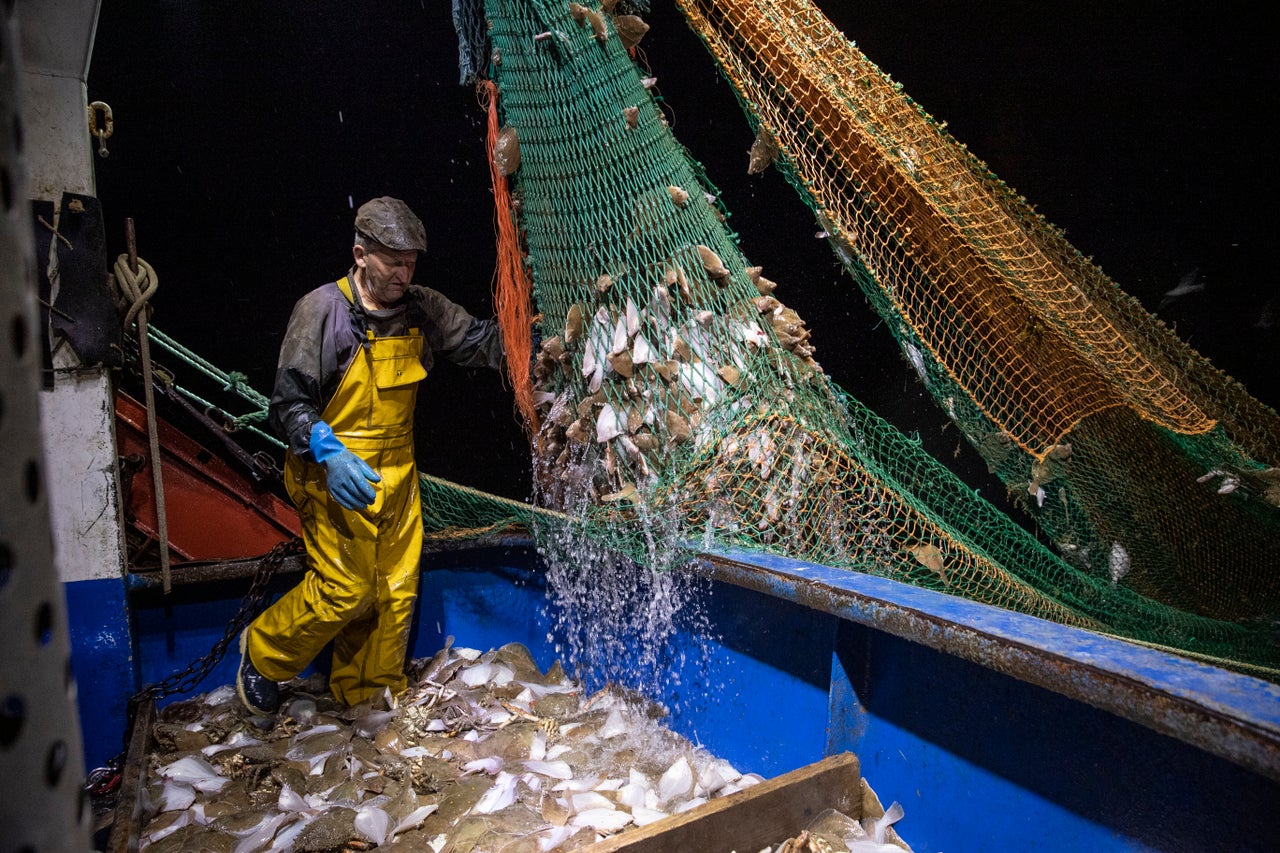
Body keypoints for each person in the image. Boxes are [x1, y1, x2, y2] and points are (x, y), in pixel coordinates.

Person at [236, 196, 505, 714]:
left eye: (411, 261)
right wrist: (329, 454)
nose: (404, 272)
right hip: (330, 469)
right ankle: (265, 652)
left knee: (395, 592)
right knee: (347, 588)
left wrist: (544, 341)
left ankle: (368, 697)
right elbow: (288, 403)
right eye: (392, 260)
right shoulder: (321, 311)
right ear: (360, 254)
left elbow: (482, 342)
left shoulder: (422, 308)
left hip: (398, 472)